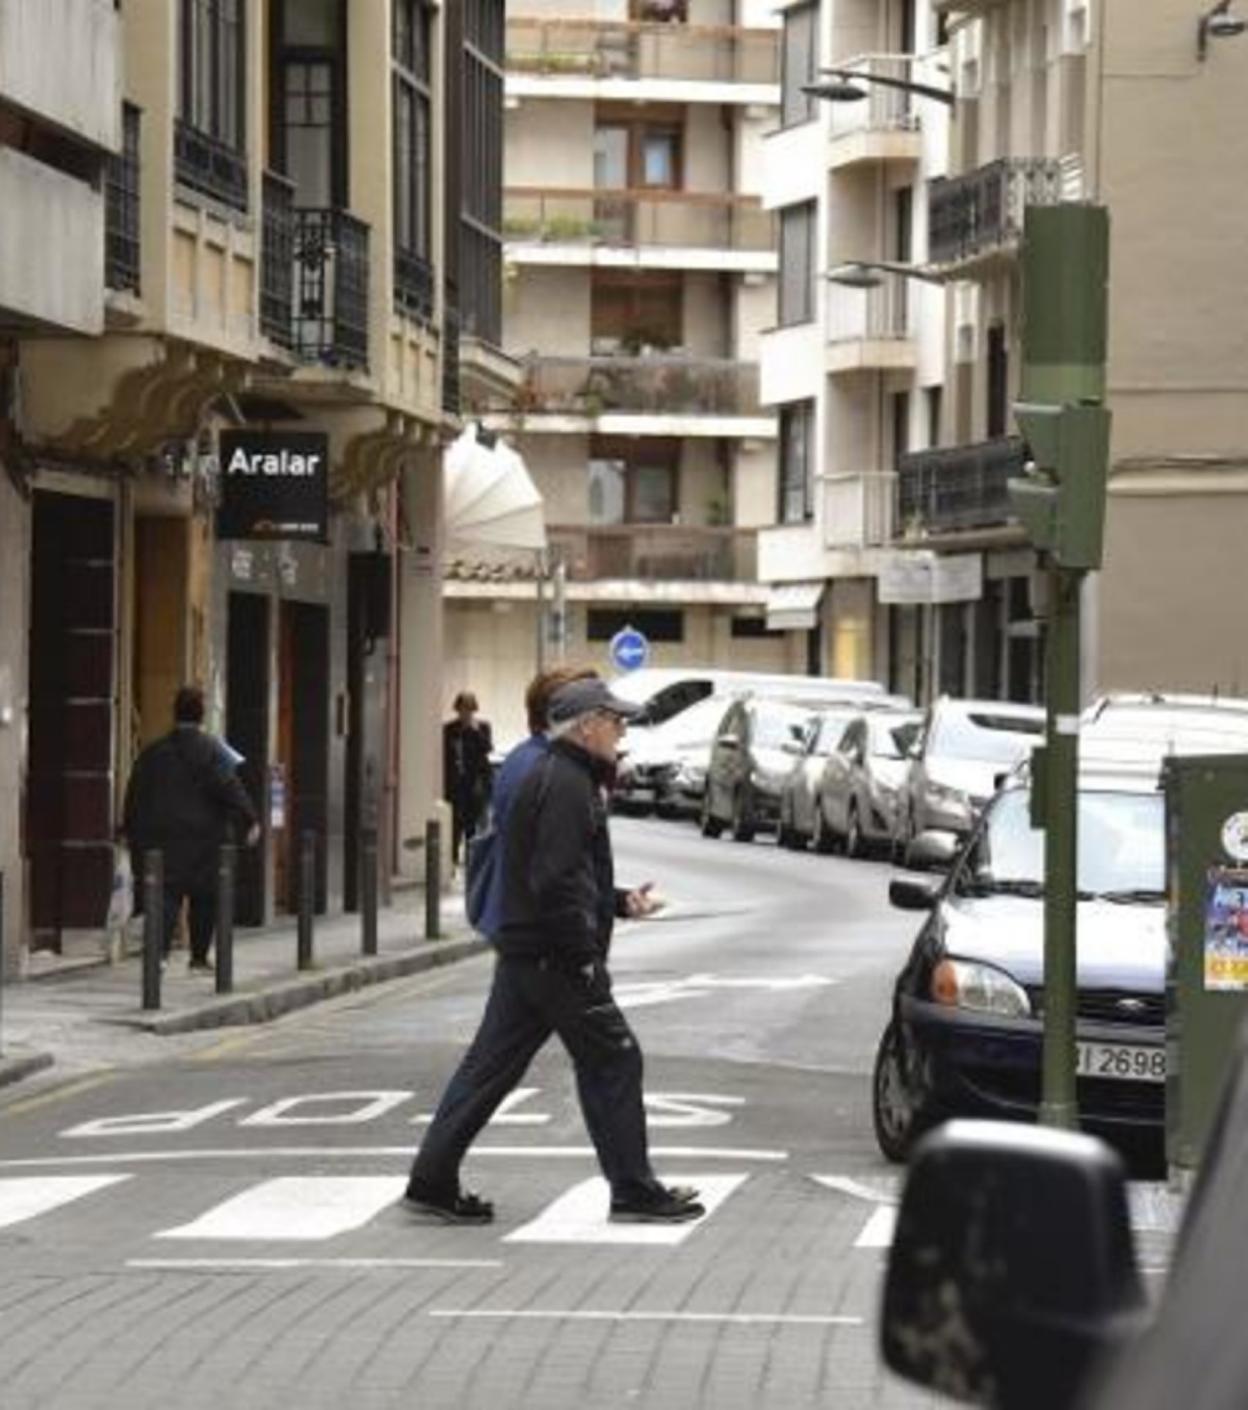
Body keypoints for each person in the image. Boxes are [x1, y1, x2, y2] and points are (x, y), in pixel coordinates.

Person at [404, 676, 701, 1226]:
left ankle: (431, 1178)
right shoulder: (566, 780)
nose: (621, 731)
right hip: (554, 953)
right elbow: (557, 876)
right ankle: (633, 1190)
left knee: (489, 1067)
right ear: (587, 726)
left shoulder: (526, 762)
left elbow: (539, 865)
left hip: (524, 945)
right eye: (615, 721)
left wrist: (614, 902)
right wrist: (583, 956)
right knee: (613, 1057)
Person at [122, 685, 260, 972]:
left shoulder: (153, 753)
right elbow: (231, 788)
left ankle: (158, 956)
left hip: (161, 837)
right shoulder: (214, 751)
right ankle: (198, 957)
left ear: (176, 714)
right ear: (201, 714)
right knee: (205, 898)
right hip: (204, 839)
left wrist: (130, 829)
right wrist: (250, 819)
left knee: (165, 894)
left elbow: (135, 793)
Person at [443, 691, 493, 868]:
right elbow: (445, 756)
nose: (466, 713)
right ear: (458, 709)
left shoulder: (482, 727)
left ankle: (471, 859)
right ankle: (453, 859)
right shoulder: (449, 729)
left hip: (476, 783)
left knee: (473, 823)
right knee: (455, 822)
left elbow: (487, 748)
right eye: (463, 709)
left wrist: (474, 730)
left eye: (470, 709)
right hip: (456, 783)